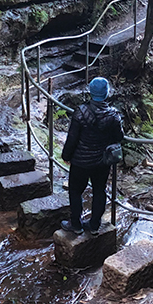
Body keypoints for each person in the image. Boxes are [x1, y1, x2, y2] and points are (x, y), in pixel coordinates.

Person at [60, 77, 124, 236]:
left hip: (80, 162)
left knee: (75, 191)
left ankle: (76, 224)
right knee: (99, 191)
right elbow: (119, 137)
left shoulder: (80, 112)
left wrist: (66, 155)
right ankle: (95, 225)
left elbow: (72, 138)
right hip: (102, 162)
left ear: (90, 92)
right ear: (106, 93)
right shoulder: (113, 115)